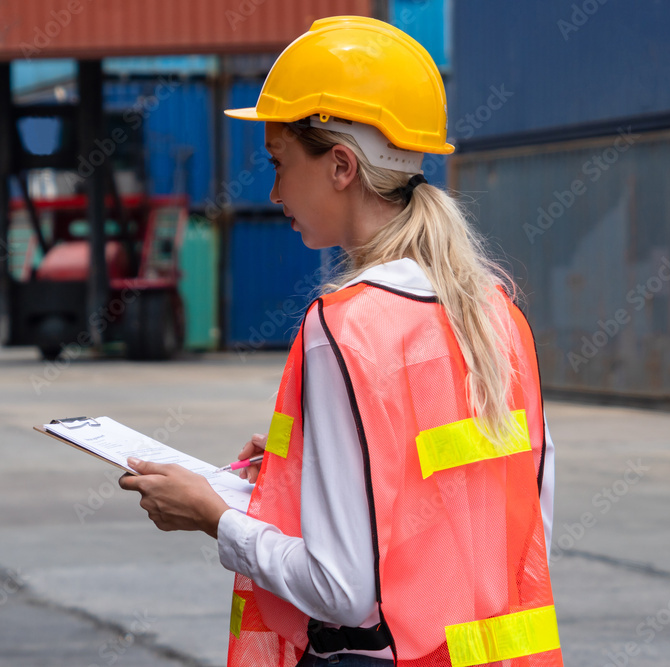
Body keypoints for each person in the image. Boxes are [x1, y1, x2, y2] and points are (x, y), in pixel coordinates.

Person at [120, 16, 562, 667]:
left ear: (340, 166)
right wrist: (299, 480)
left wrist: (215, 514)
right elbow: (511, 528)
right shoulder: (498, 314)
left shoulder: (344, 326)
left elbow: (341, 587)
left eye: (278, 163)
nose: (271, 193)